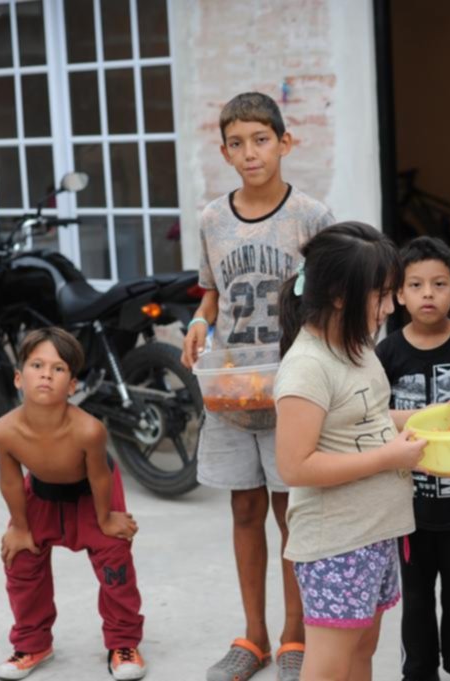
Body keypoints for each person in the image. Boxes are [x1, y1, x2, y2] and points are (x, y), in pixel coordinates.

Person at [179, 91, 335, 681]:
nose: (250, 153)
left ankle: (296, 638)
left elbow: (326, 299)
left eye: (261, 140)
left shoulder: (312, 216)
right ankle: (255, 637)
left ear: (285, 143)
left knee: (291, 512)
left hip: (292, 391)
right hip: (229, 391)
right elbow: (212, 292)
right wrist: (198, 322)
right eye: (237, 144)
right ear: (223, 152)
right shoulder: (211, 219)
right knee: (244, 509)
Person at [273, 222, 427, 681]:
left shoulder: (357, 346)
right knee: (329, 665)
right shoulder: (307, 367)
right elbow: (294, 466)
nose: (392, 305)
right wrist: (389, 458)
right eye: (381, 294)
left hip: (374, 531)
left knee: (362, 649)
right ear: (340, 293)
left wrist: (437, 418)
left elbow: (372, 418)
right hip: (336, 543)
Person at [0, 327, 146, 681]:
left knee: (115, 562)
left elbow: (101, 476)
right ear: (18, 377)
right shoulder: (3, 431)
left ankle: (123, 642)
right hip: (41, 493)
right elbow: (11, 479)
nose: (46, 374)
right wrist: (20, 526)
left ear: (72, 385)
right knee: (20, 558)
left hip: (93, 493)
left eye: (58, 369)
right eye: (37, 365)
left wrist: (107, 520)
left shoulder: (89, 430)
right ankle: (32, 643)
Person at [375, 236, 450, 681]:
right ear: (399, 295)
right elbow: (369, 419)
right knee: (417, 597)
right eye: (416, 285)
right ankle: (419, 672)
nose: (428, 294)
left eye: (440, 284)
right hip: (407, 508)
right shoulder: (386, 354)